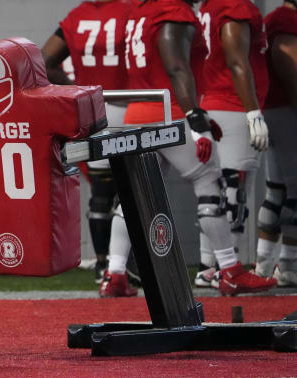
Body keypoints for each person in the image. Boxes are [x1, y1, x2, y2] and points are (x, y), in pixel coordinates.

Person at [100, 0, 275, 297]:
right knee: (209, 184)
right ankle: (229, 270)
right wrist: (195, 116)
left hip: (138, 112)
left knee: (133, 194)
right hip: (170, 113)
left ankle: (114, 273)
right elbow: (177, 67)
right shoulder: (172, 10)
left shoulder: (141, 12)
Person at [41, 0, 137, 284]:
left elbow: (45, 62)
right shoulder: (130, 10)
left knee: (101, 191)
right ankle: (124, 263)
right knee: (131, 191)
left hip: (94, 108)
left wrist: (77, 88)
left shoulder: (77, 15)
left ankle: (103, 266)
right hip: (128, 104)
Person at [194, 0, 269, 289]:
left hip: (212, 101)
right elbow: (237, 59)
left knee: (213, 191)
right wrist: (253, 113)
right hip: (234, 105)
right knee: (234, 189)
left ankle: (207, 267)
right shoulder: (235, 6)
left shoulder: (209, 7)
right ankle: (229, 268)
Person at [254, 0, 297, 287]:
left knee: (277, 189)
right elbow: (290, 67)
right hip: (285, 108)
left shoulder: (274, 18)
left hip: (273, 106)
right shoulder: (285, 19)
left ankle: (264, 265)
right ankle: (290, 266)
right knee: (294, 188)